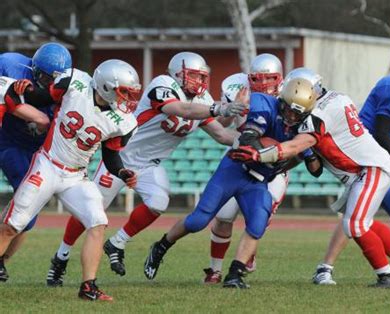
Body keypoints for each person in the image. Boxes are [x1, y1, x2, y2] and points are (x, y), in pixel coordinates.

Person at [46, 51, 247, 286]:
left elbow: (222, 134)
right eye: (193, 76)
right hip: (120, 157)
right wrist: (220, 109)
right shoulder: (163, 85)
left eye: (202, 77)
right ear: (177, 74)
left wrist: (252, 139)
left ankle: (117, 242)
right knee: (91, 210)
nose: (199, 82)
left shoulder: (204, 102)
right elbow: (180, 110)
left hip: (149, 166)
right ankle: (61, 257)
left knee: (158, 202)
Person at [232, 73, 390, 288]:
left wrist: (261, 156)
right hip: (363, 168)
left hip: (370, 168)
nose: (291, 111)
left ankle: (386, 275)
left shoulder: (317, 117)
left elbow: (296, 147)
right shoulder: (337, 98)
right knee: (364, 222)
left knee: (354, 225)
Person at [142, 77, 321, 289]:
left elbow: (315, 170)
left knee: (257, 223)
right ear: (281, 101)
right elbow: (248, 138)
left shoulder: (308, 126)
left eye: (297, 114)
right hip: (235, 168)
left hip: (259, 181)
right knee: (198, 220)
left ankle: (235, 274)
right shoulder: (264, 103)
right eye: (289, 110)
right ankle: (161, 246)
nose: (291, 117)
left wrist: (304, 155)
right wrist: (269, 154)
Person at [0, 59, 141, 301]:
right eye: (124, 92)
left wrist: (121, 172)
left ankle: (89, 287)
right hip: (47, 165)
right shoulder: (74, 82)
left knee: (97, 223)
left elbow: (111, 156)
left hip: (76, 176)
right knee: (12, 225)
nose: (128, 99)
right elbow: (42, 98)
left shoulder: (125, 122)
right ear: (106, 87)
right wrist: (24, 91)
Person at [313, 45, 390, 285]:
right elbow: (381, 131)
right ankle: (325, 268)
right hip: (373, 160)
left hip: (388, 163)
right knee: (356, 217)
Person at [203, 53, 287, 284]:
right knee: (223, 216)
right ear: (248, 78)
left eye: (269, 78)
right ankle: (214, 270)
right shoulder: (235, 86)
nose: (263, 84)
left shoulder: (289, 94)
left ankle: (243, 259)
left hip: (271, 166)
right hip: (240, 160)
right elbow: (222, 125)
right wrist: (233, 108)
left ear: (279, 78)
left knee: (257, 219)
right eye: (257, 79)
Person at [0, 43, 71, 282]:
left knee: (28, 216)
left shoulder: (70, 90)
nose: (51, 84)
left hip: (33, 151)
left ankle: (2, 261)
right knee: (24, 211)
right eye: (45, 77)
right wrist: (33, 114)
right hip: (7, 140)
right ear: (34, 68)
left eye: (55, 79)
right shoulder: (12, 65)